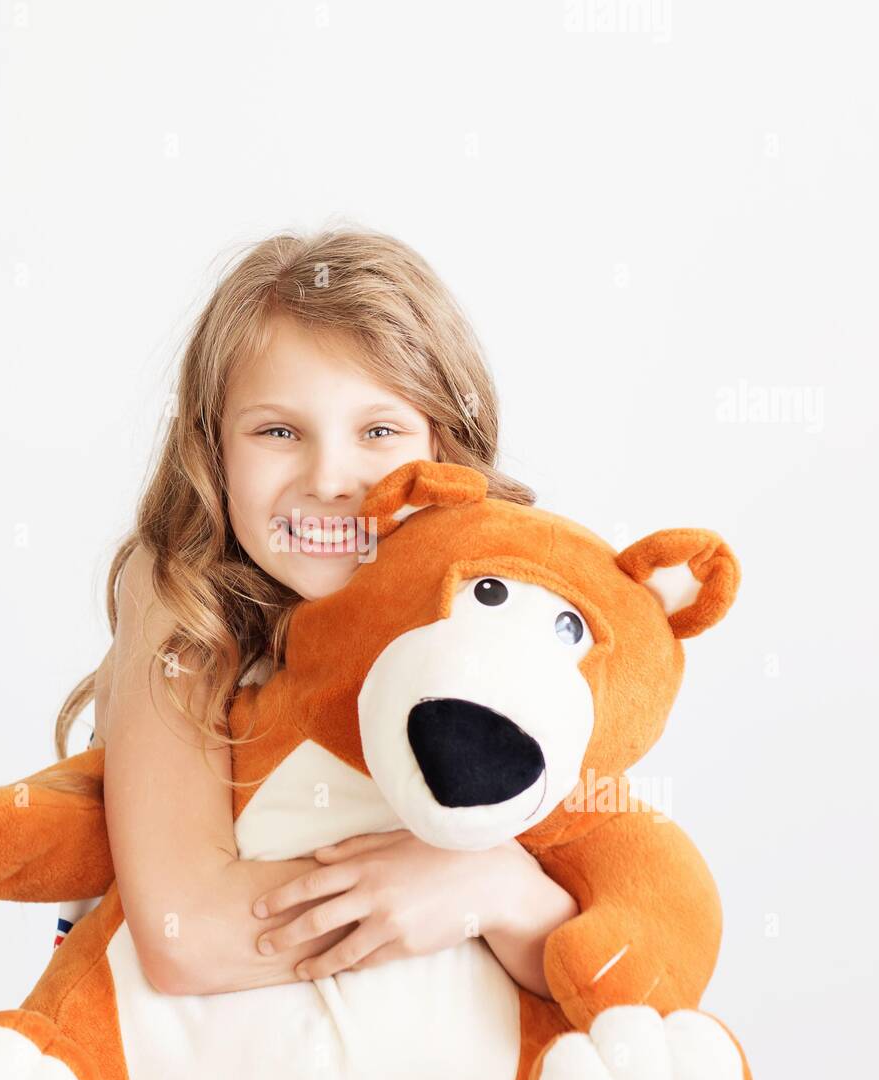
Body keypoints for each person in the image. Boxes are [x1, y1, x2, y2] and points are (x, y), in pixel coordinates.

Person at [50, 227, 578, 997]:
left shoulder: (513, 618)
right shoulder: (183, 606)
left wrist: (497, 889)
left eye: (379, 431)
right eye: (277, 431)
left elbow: (603, 961)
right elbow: (186, 934)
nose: (330, 478)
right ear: (211, 449)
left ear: (445, 445)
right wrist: (430, 892)